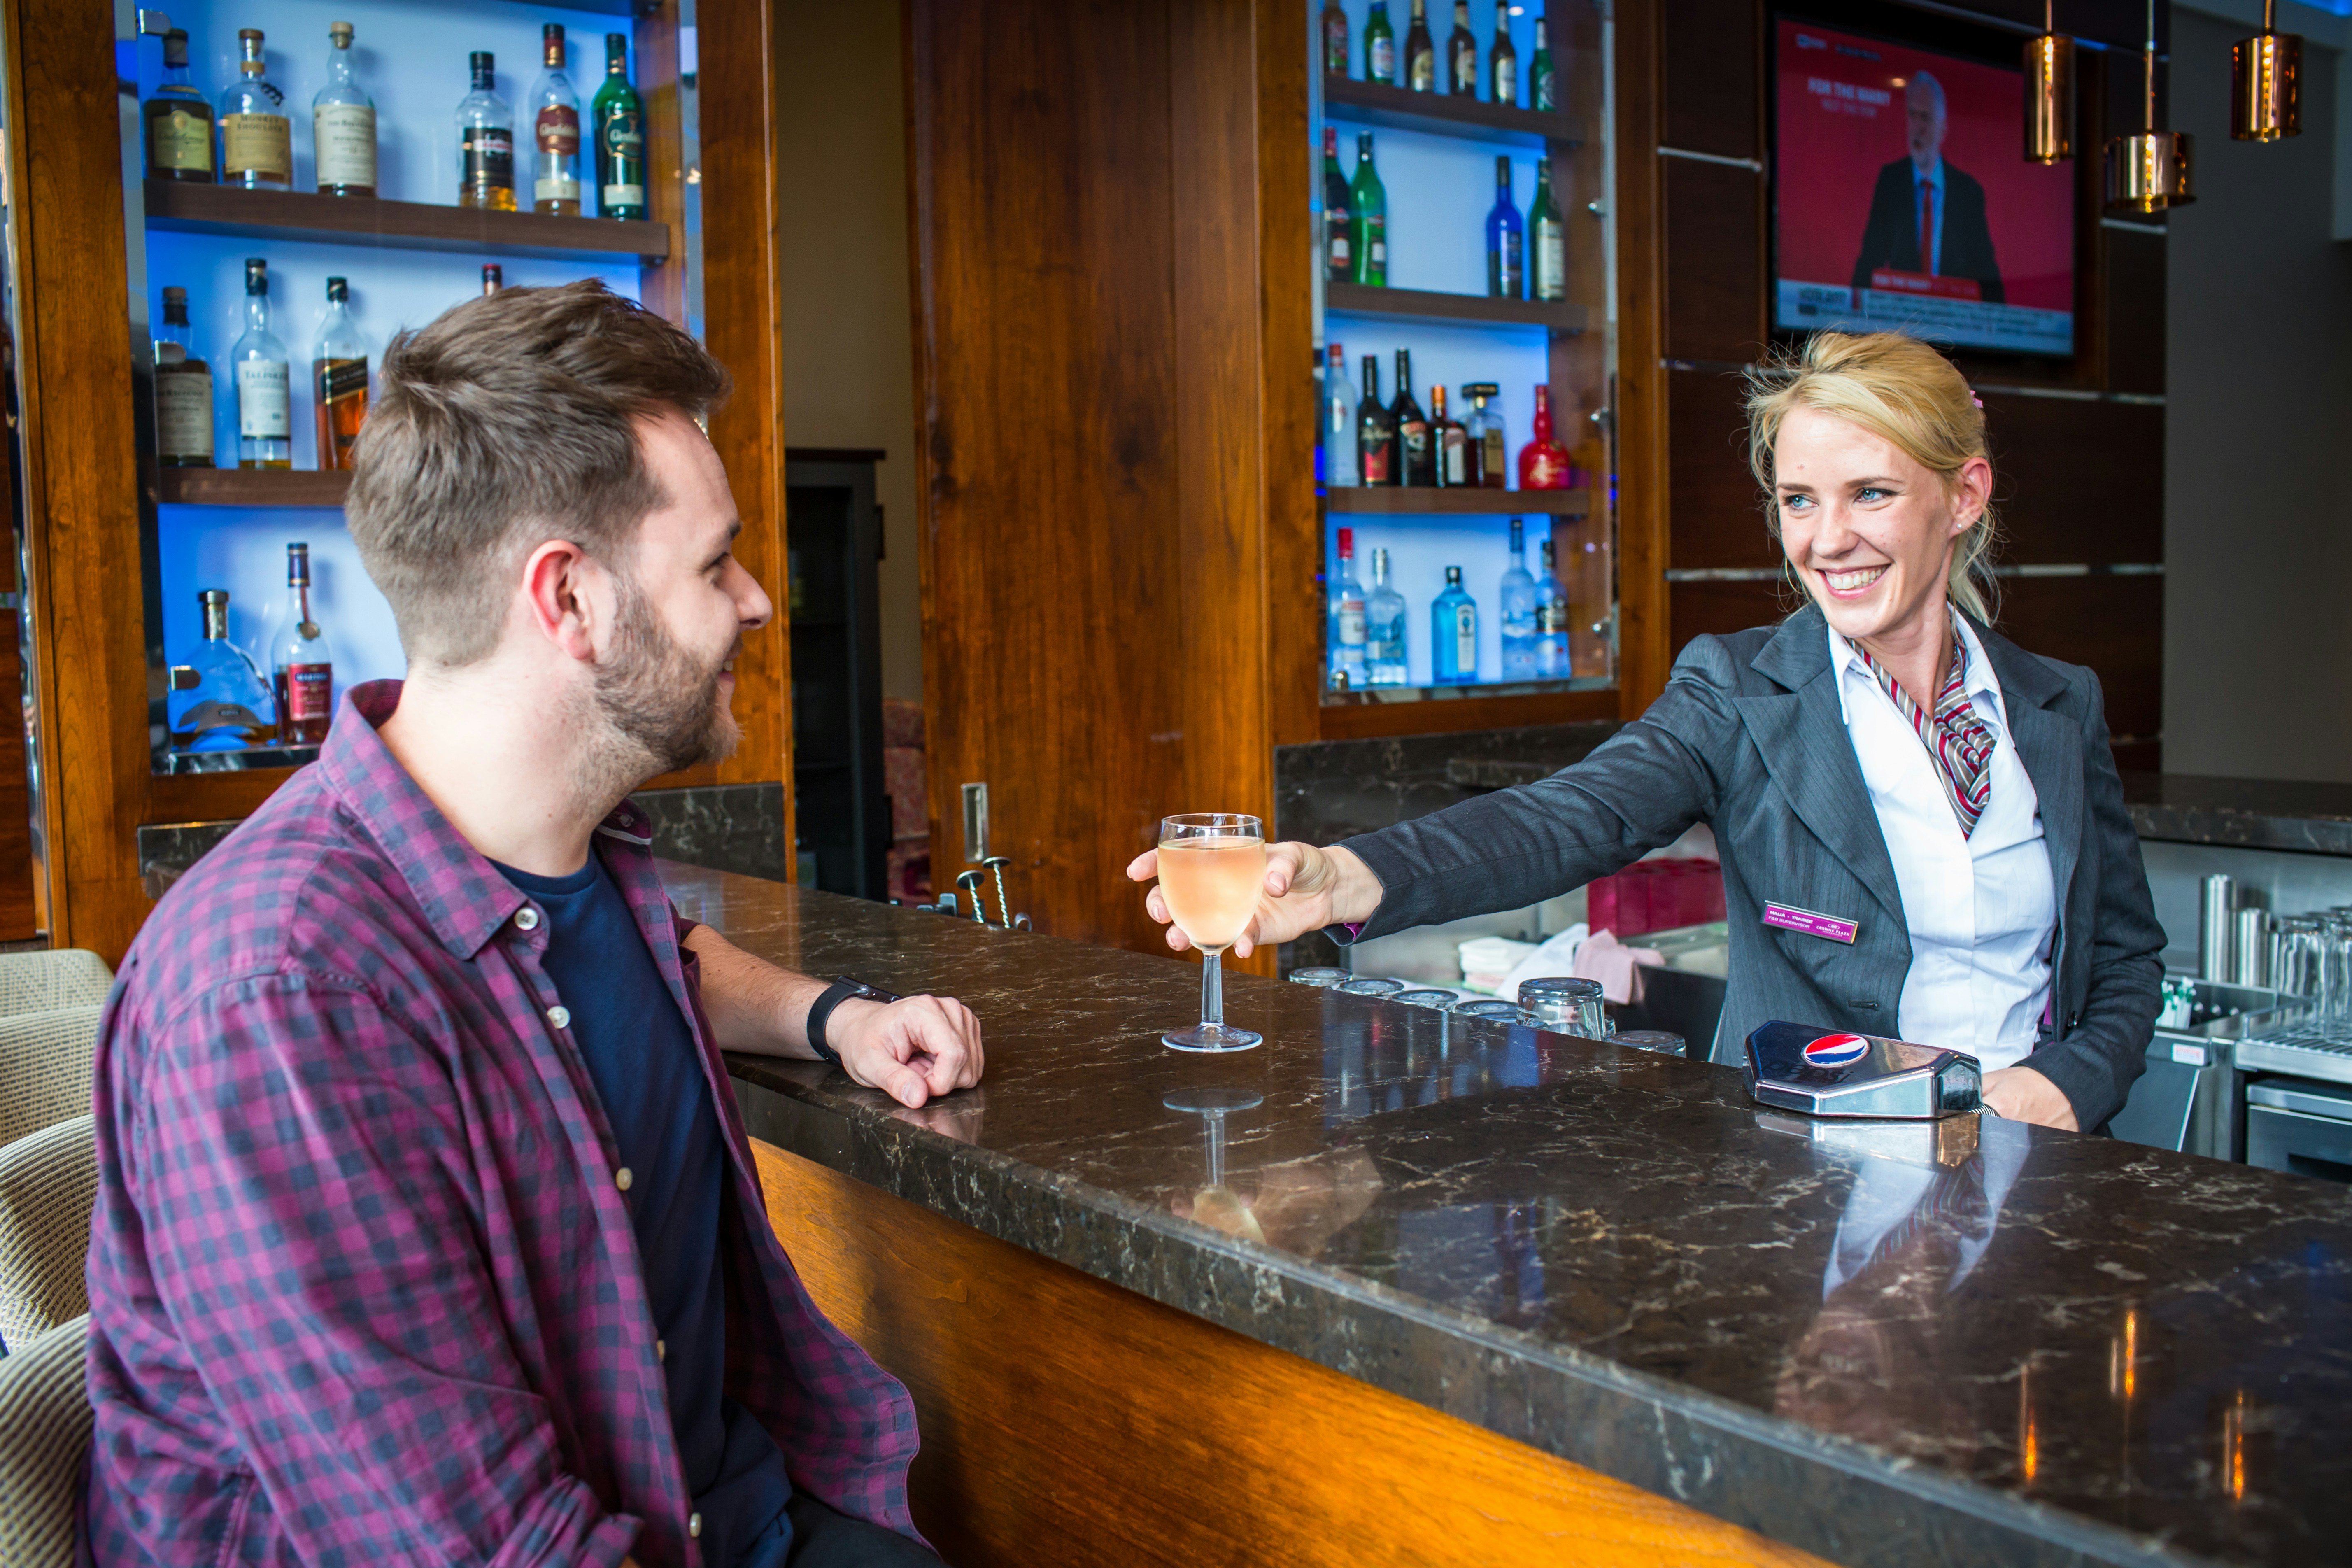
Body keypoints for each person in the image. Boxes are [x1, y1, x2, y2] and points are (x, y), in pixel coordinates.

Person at [84, 281, 981, 1566]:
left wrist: (833, 1017)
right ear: (567, 600)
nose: (756, 601)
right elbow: (483, 1547)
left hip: (723, 1511)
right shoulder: (275, 995)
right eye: (714, 563)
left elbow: (641, 965)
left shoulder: (556, 853)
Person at [1132, 331, 2163, 1134]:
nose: (1827, 539)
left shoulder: (2056, 704)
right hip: (1816, 1185)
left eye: (1871, 494)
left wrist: (2063, 1088)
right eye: (1798, 500)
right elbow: (1569, 816)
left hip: (2034, 1168)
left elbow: (2122, 959)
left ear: (1964, 496)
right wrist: (1349, 877)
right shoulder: (1740, 691)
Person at [1849, 73, 2005, 304]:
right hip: (1903, 320)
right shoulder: (1891, 181)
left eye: (1925, 117)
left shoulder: (1969, 193)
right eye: (1912, 115)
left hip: (1954, 320)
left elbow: (1988, 280)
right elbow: (1869, 263)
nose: (1917, 128)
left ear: (1943, 129)